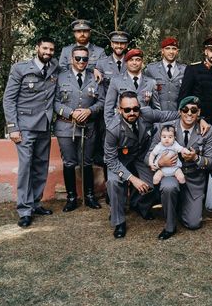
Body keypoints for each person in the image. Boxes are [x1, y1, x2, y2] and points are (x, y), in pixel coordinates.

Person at [104, 92, 181, 238]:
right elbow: (111, 160)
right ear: (120, 110)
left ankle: (140, 206)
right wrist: (132, 179)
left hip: (141, 156)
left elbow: (170, 115)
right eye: (127, 110)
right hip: (119, 161)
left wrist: (196, 117)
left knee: (152, 183)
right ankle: (119, 221)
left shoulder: (147, 113)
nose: (132, 112)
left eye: (135, 108)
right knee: (114, 182)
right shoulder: (112, 128)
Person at [2, 36, 60, 228]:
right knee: (26, 167)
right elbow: (9, 99)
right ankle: (25, 210)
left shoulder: (54, 67)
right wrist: (13, 128)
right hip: (25, 126)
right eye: (45, 48)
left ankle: (36, 203)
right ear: (37, 48)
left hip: (44, 125)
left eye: (51, 50)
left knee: (40, 166)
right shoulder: (20, 69)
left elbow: (72, 69)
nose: (48, 52)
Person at [146, 96, 212, 240]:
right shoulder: (166, 128)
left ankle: (179, 205)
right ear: (180, 111)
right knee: (168, 188)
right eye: (185, 109)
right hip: (171, 174)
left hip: (194, 178)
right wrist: (160, 162)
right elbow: (147, 155)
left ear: (199, 112)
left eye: (194, 110)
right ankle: (170, 226)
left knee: (193, 224)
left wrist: (196, 158)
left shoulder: (206, 130)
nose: (189, 113)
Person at [54, 46, 105, 212]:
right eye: (78, 58)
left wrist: (90, 111)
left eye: (84, 59)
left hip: (88, 126)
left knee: (87, 161)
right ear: (71, 59)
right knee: (69, 162)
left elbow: (102, 102)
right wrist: (71, 113)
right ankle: (71, 198)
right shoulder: (60, 77)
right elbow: (54, 102)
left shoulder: (95, 77)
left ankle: (89, 196)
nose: (81, 62)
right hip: (66, 126)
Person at [95, 30, 129, 202]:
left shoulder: (131, 61)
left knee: (127, 151)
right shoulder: (101, 64)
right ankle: (111, 191)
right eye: (116, 43)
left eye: (122, 43)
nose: (119, 46)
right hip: (108, 116)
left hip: (128, 115)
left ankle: (124, 190)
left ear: (126, 45)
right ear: (111, 44)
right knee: (109, 153)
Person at [178, 36, 212, 130]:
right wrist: (196, 119)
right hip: (195, 120)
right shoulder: (193, 69)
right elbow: (183, 98)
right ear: (206, 51)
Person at [104, 48, 159, 124]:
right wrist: (110, 127)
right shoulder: (116, 81)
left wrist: (155, 129)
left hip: (145, 128)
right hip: (122, 127)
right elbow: (108, 108)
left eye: (138, 60)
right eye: (131, 60)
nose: (134, 63)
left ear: (142, 62)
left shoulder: (151, 82)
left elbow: (156, 110)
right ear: (126, 63)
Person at [144, 37, 187, 111]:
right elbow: (145, 92)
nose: (171, 52)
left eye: (174, 48)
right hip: (157, 116)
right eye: (167, 48)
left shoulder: (184, 70)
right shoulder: (151, 69)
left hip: (177, 116)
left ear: (177, 51)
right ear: (162, 51)